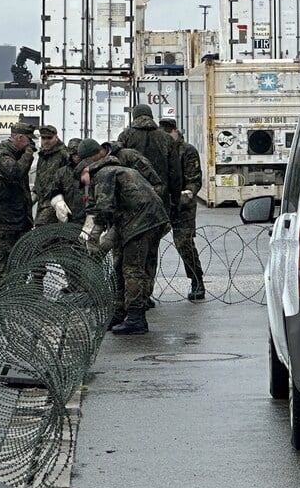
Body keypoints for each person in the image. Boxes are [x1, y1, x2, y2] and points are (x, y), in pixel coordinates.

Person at [79, 151, 169, 335]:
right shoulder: (120, 170)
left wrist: (94, 234)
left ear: (87, 170)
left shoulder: (103, 174)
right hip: (154, 220)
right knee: (128, 266)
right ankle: (120, 312)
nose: (84, 185)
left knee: (132, 269)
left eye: (82, 179)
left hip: (139, 223)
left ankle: (136, 318)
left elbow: (104, 208)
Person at [0, 121, 36, 285]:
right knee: (3, 259)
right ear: (19, 138)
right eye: (29, 140)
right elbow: (16, 172)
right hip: (4, 220)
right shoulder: (3, 155)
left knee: (21, 258)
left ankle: (16, 293)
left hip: (18, 218)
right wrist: (28, 154)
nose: (31, 144)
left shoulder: (15, 154)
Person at [160, 118, 205, 300]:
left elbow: (194, 179)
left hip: (183, 204)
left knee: (183, 243)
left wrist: (189, 193)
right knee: (147, 246)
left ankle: (197, 280)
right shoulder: (160, 149)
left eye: (169, 133)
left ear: (176, 132)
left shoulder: (187, 150)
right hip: (162, 202)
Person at [117, 103, 182, 215]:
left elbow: (119, 166)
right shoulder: (166, 138)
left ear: (134, 117)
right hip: (159, 194)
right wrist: (176, 199)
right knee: (157, 228)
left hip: (133, 194)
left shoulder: (125, 136)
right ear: (151, 116)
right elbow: (175, 171)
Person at [32, 125, 71, 226]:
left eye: (49, 138)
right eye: (43, 138)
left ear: (56, 137)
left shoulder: (64, 154)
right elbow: (39, 179)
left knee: (43, 233)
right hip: (42, 203)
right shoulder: (43, 155)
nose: (46, 141)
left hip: (57, 203)